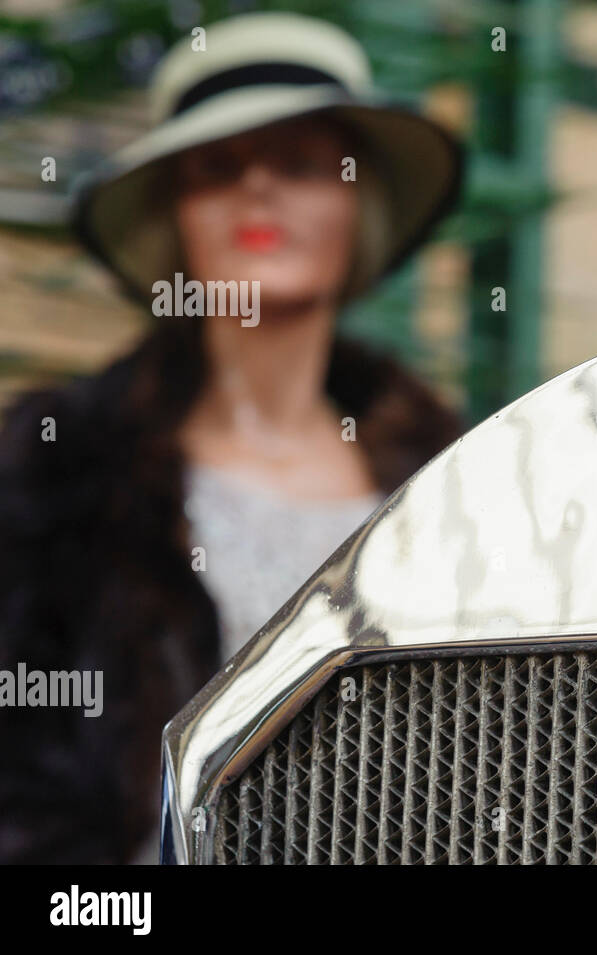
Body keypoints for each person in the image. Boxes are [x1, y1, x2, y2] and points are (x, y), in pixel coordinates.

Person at [0, 12, 463, 863]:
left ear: (357, 200)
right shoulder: (55, 472)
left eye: (298, 163)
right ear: (177, 214)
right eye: (217, 168)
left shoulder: (453, 483)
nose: (258, 188)